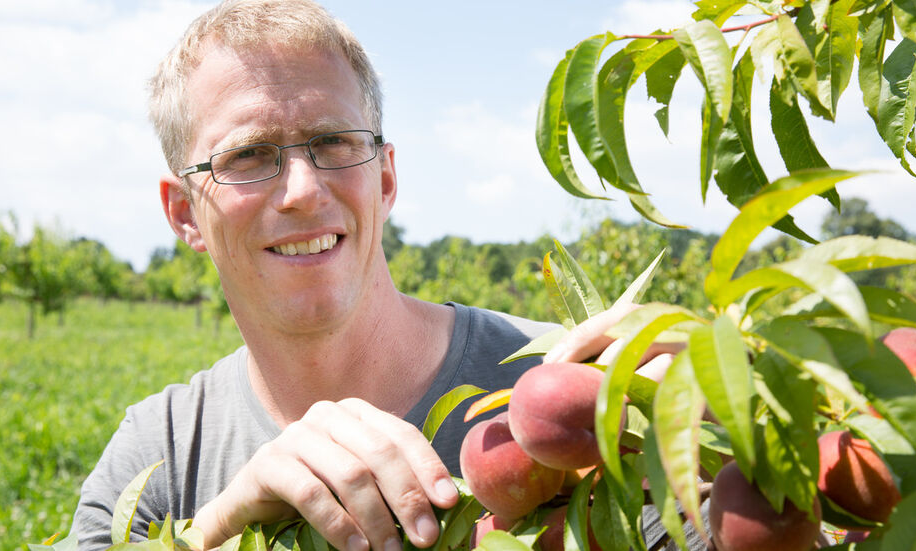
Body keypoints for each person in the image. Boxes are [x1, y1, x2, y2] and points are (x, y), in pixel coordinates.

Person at [71, 1, 681, 549]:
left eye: (333, 142)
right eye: (249, 155)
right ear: (185, 214)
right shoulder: (163, 458)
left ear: (384, 180)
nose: (303, 192)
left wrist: (750, 450)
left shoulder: (565, 393)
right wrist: (218, 526)